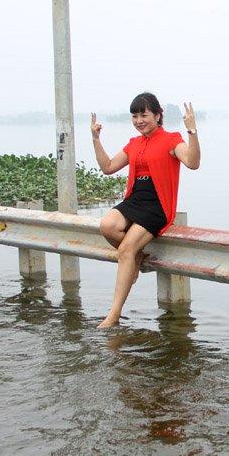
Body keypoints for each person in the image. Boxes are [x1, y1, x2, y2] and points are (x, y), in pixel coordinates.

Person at [90, 92, 200, 328]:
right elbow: (108, 167)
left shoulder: (172, 139)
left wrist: (192, 131)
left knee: (126, 249)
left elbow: (193, 162)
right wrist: (96, 139)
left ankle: (114, 314)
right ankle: (137, 257)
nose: (139, 120)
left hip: (157, 204)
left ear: (158, 116)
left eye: (144, 114)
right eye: (135, 116)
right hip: (135, 199)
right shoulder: (134, 143)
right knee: (107, 225)